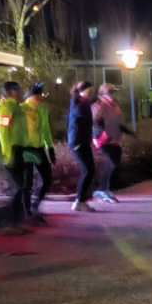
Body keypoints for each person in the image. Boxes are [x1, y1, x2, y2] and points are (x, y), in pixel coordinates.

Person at [0, 81, 29, 229]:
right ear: (7, 92)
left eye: (19, 89)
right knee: (21, 185)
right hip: (12, 150)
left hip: (19, 149)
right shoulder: (6, 106)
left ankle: (17, 218)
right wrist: (7, 153)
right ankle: (11, 219)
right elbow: (2, 131)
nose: (19, 92)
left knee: (23, 184)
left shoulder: (16, 106)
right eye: (16, 90)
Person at [21, 83, 57, 221]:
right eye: (38, 94)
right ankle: (27, 211)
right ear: (31, 95)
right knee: (27, 181)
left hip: (38, 148)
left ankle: (35, 205)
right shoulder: (22, 109)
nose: (41, 97)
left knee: (47, 179)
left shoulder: (42, 109)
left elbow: (46, 129)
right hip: (25, 148)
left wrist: (50, 148)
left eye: (41, 94)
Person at [92, 84, 131, 203]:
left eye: (113, 92)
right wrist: (102, 133)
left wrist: (128, 131)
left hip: (115, 141)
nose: (113, 95)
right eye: (110, 92)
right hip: (103, 141)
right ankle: (103, 190)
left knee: (115, 166)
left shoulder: (115, 107)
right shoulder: (98, 106)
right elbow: (94, 122)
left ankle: (106, 189)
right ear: (102, 94)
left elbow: (117, 123)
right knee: (110, 164)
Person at [67, 81, 97, 212]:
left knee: (89, 170)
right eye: (89, 91)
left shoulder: (82, 102)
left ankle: (81, 200)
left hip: (83, 141)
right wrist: (90, 102)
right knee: (87, 170)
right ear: (81, 91)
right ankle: (79, 201)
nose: (91, 93)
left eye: (92, 91)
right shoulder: (78, 103)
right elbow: (80, 113)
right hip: (78, 141)